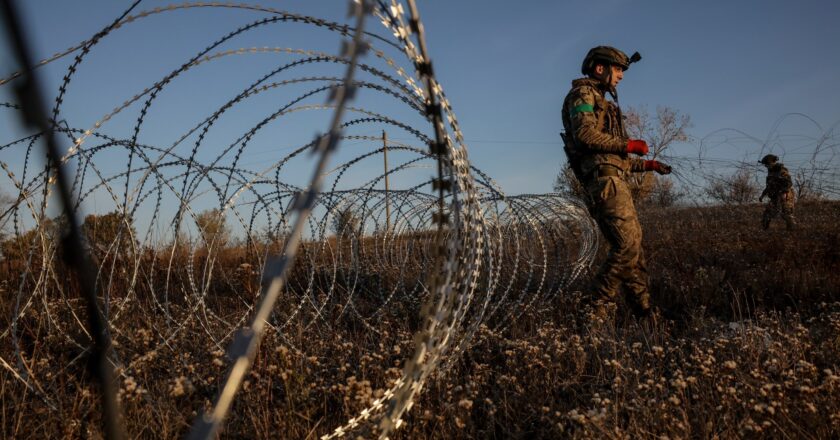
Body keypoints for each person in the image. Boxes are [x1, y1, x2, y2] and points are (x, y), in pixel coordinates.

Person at [560, 46, 672, 318]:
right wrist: (629, 144)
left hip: (614, 179)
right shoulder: (582, 95)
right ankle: (592, 308)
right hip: (604, 184)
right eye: (618, 69)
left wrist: (647, 165)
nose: (621, 76)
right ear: (601, 68)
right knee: (626, 247)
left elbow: (614, 156)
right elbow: (586, 136)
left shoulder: (604, 102)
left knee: (634, 253)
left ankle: (645, 313)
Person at [758, 154, 796, 230]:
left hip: (785, 195)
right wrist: (763, 195)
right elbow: (769, 186)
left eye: (767, 164)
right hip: (774, 196)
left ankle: (791, 232)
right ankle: (764, 231)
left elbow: (788, 183)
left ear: (772, 163)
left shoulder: (781, 170)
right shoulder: (770, 172)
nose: (766, 166)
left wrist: (784, 193)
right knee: (767, 214)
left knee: (787, 213)